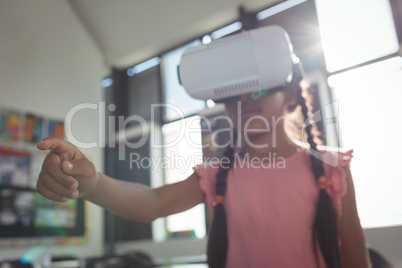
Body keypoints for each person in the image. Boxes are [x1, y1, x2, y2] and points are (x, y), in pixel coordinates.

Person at [36, 47, 369, 268]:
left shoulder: (331, 166)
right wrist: (92, 184)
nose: (245, 101)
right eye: (232, 96)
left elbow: (355, 255)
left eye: (258, 89)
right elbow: (151, 202)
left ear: (293, 95)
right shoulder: (218, 174)